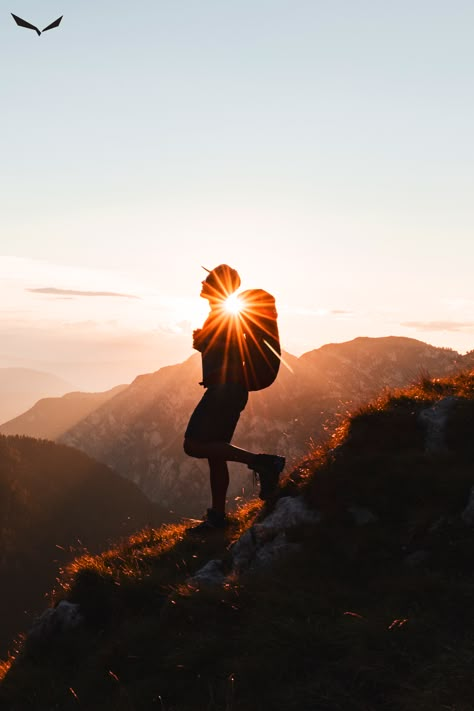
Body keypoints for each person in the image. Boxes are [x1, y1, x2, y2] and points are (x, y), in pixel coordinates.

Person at [183, 264, 285, 532]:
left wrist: (205, 340)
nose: (202, 283)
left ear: (218, 285)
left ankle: (264, 463)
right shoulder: (222, 312)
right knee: (216, 452)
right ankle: (217, 517)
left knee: (193, 445)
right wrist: (204, 341)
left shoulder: (224, 313)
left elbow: (229, 346)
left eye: (208, 280)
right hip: (231, 390)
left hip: (224, 391)